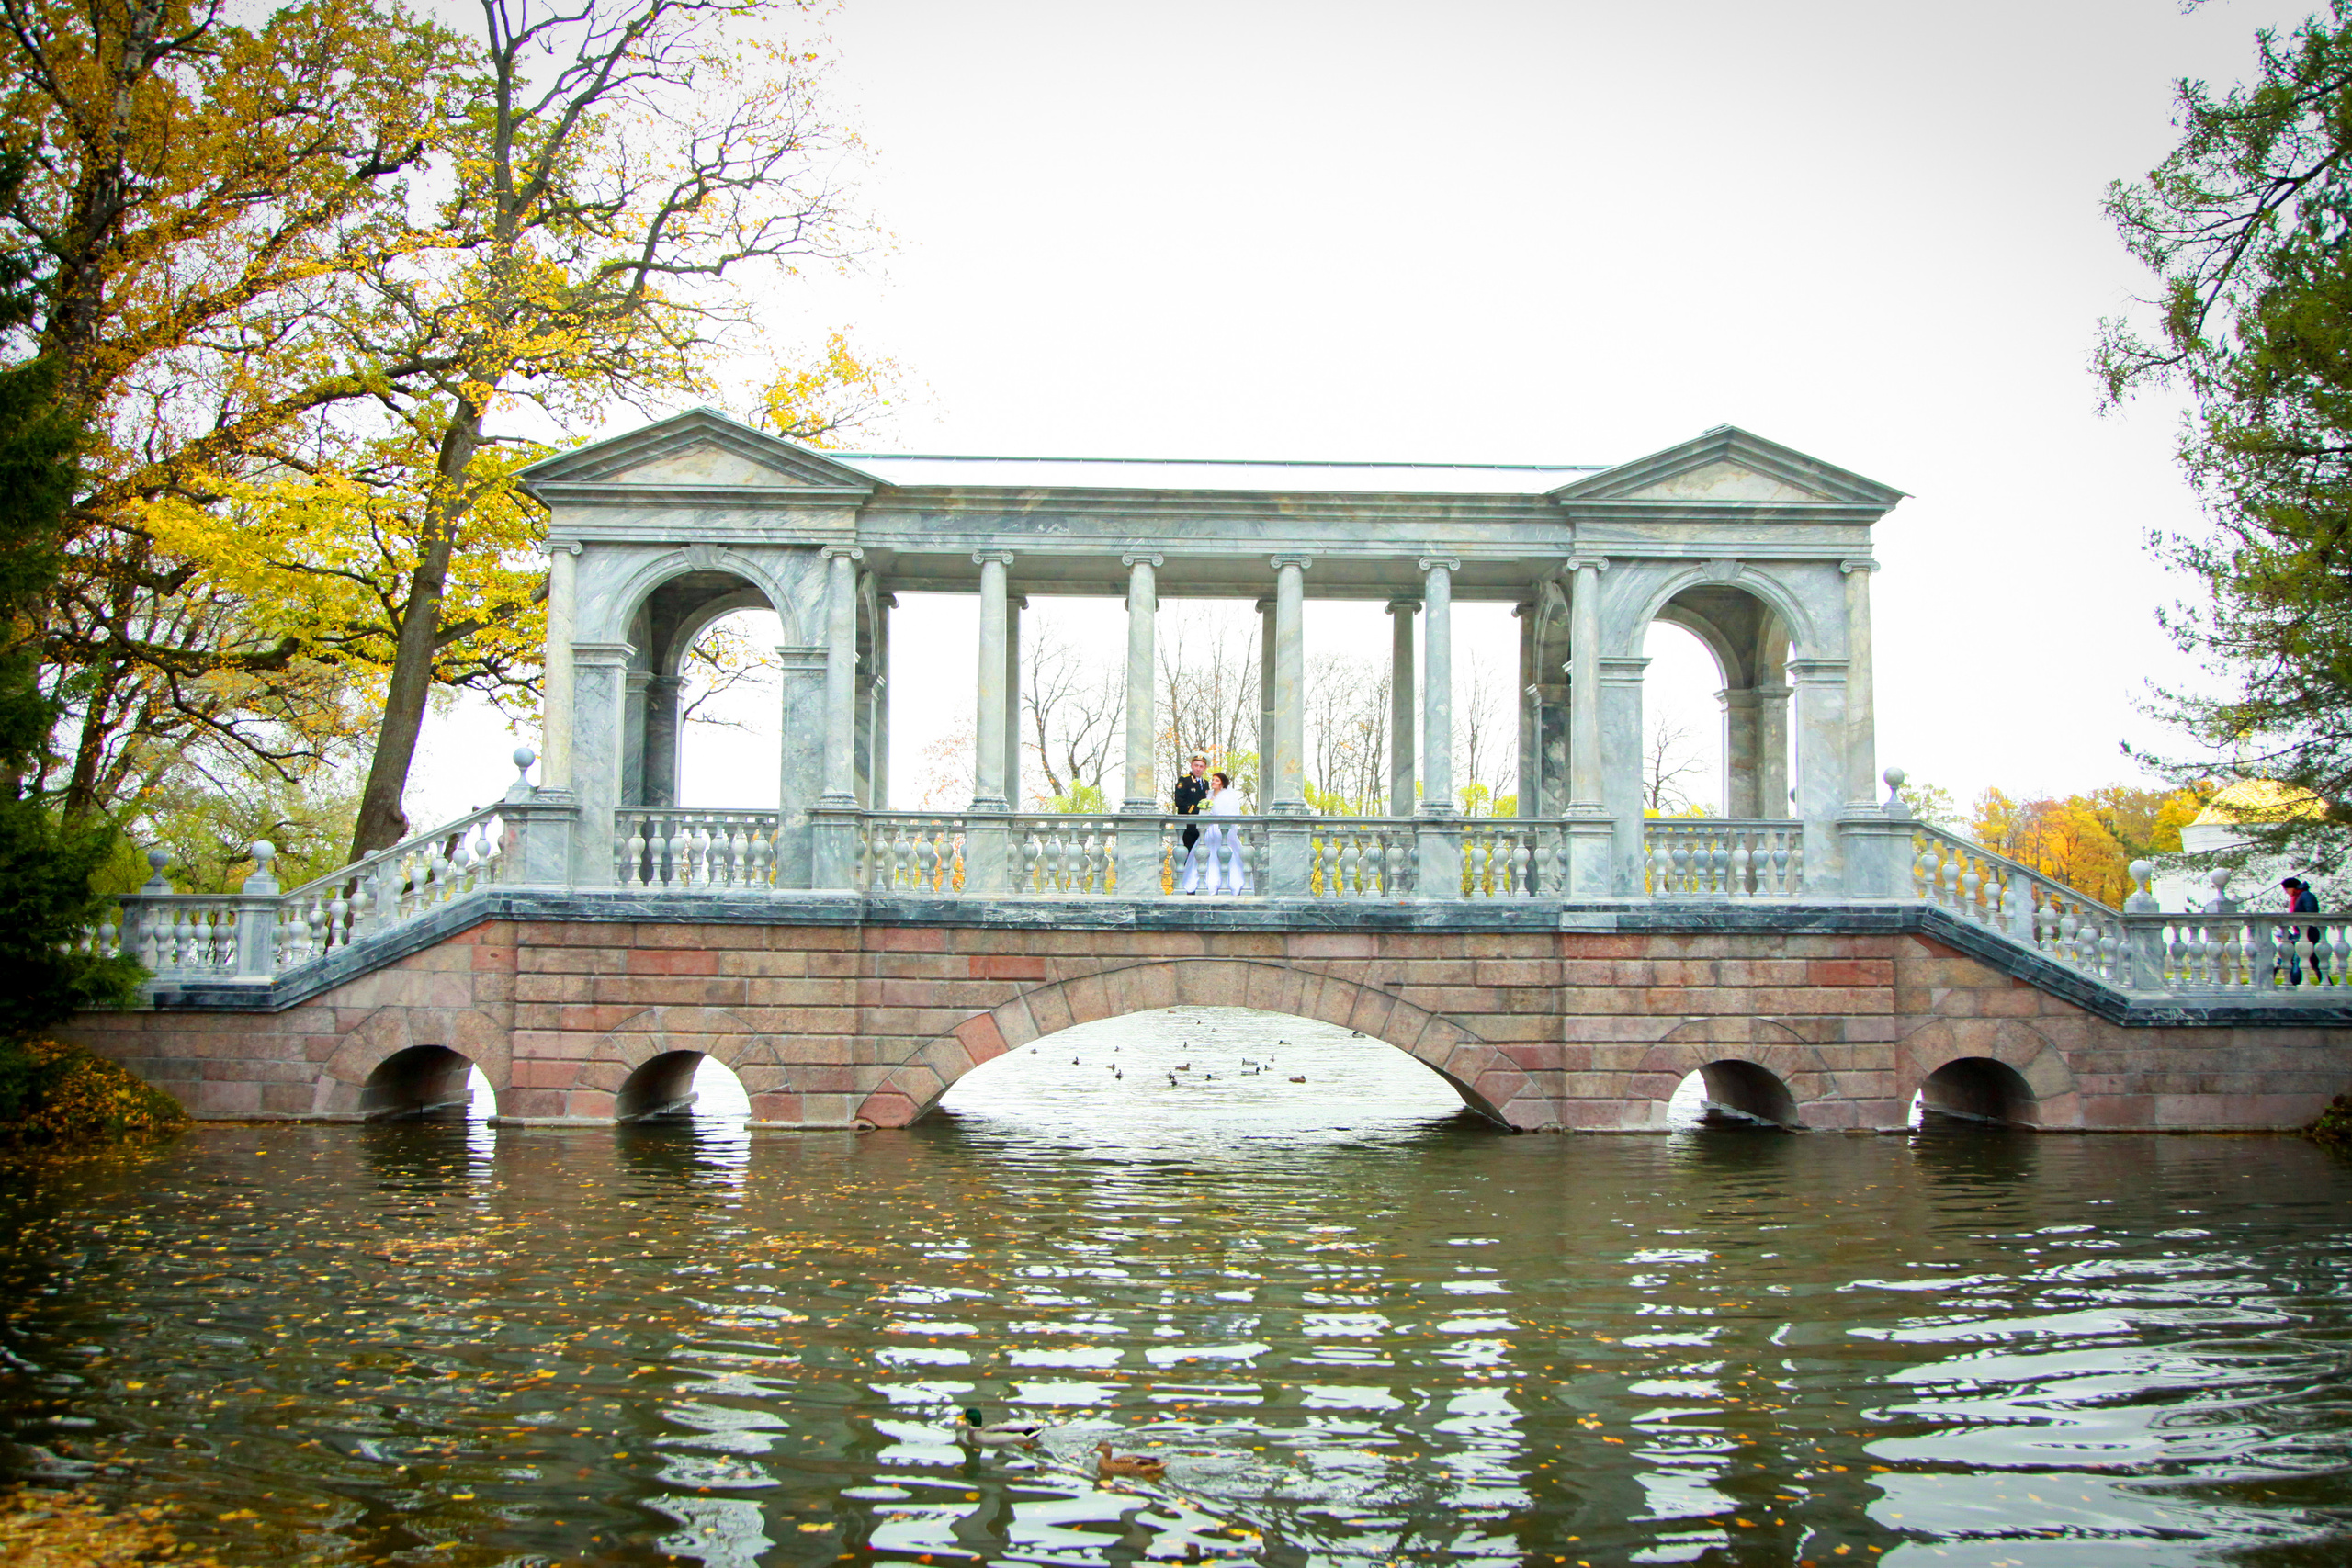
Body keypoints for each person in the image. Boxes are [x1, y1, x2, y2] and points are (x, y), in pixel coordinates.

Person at [1203, 770, 1254, 894]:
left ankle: (1231, 883)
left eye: (1216, 780)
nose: (1213, 782)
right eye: (1213, 779)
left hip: (1221, 829)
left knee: (1225, 852)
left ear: (1222, 784)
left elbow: (1228, 813)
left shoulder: (1227, 795)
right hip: (1209, 829)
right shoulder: (1208, 795)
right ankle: (1207, 883)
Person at [1173, 754, 1211, 893]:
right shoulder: (1185, 781)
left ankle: (1199, 884)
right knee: (1186, 856)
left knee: (1201, 856)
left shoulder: (1207, 784)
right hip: (1188, 827)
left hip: (1202, 827)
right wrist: (1197, 810)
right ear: (1191, 766)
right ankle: (1184, 886)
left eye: (1201, 766)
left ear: (1205, 768)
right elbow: (1180, 802)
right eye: (1196, 765)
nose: (1198, 769)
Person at [2282, 875, 2324, 984]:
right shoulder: (2298, 896)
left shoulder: (2305, 896)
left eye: (2287, 889)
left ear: (2293, 887)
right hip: (2302, 934)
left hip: (2309, 934)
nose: (2286, 892)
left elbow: (2312, 913)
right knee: (2315, 962)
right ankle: (2326, 983)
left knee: (2300, 960)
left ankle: (2293, 983)